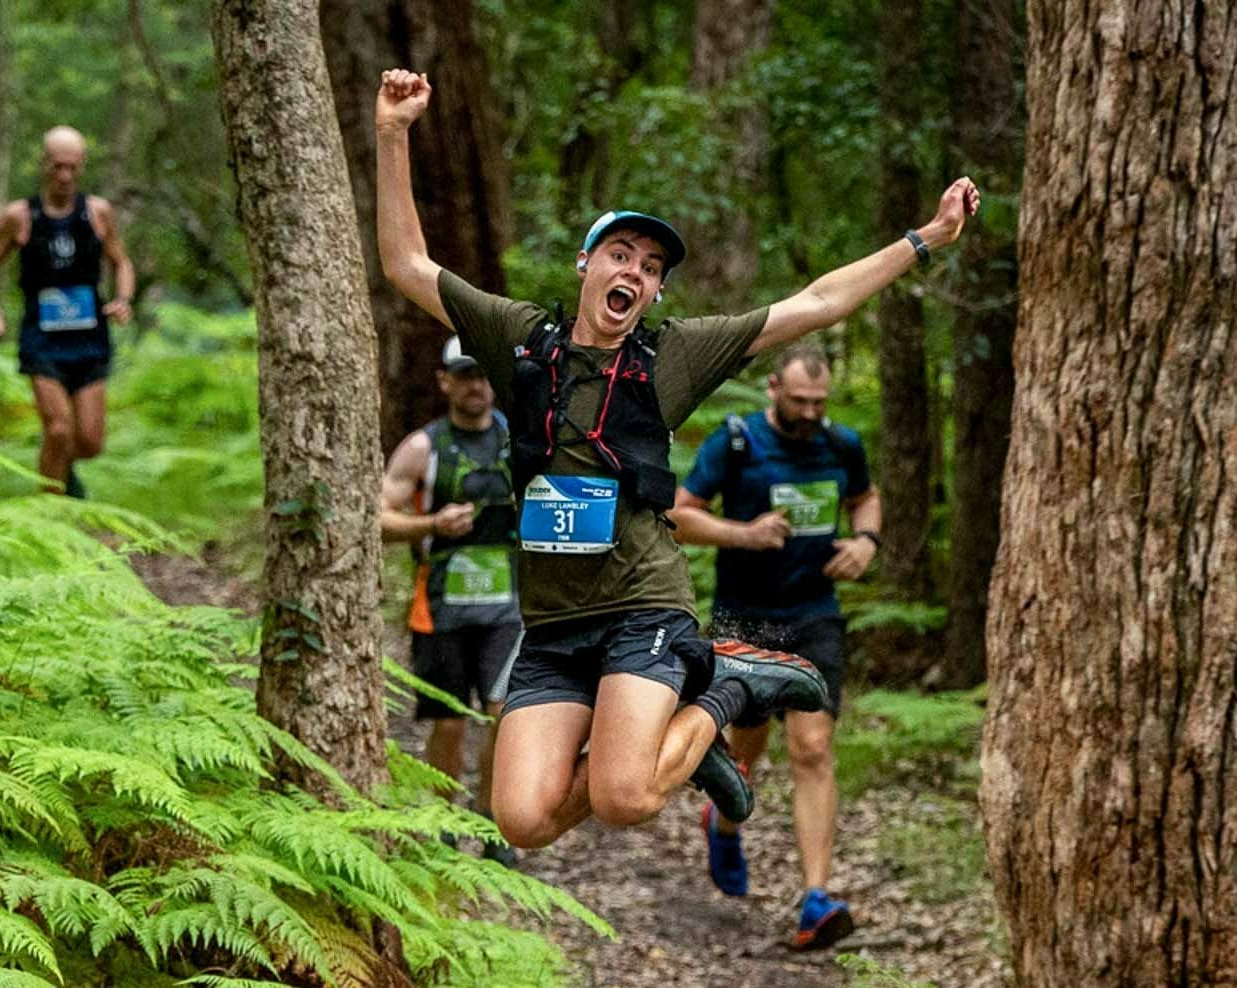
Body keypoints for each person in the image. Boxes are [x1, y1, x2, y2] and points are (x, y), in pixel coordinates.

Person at [372, 67, 977, 851]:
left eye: (651, 268)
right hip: (553, 622)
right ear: (585, 266)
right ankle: (713, 700)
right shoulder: (521, 339)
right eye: (620, 254)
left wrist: (923, 240)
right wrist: (392, 134)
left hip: (641, 607)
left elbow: (817, 303)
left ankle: (722, 689)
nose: (634, 272)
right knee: (521, 823)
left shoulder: (673, 358)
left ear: (655, 294)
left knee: (626, 798)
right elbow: (406, 267)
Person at [670, 342, 878, 950]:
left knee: (812, 748)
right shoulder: (735, 444)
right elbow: (681, 515)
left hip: (814, 614)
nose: (812, 412)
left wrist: (866, 541)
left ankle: (816, 898)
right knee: (747, 746)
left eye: (820, 401)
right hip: (745, 618)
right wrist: (743, 533)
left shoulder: (841, 444)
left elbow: (866, 496)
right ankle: (724, 819)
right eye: (800, 400)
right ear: (772, 388)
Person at [380, 336, 522, 866]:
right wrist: (432, 523)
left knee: (502, 711)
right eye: (465, 376)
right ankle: (444, 823)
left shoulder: (520, 439)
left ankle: (489, 822)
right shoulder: (424, 447)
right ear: (445, 382)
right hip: (439, 607)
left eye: (484, 376)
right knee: (450, 721)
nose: (477, 387)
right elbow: (378, 515)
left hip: (508, 607)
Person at [0, 126, 135, 498]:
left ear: (81, 167)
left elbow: (121, 261)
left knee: (90, 441)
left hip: (89, 338)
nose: (64, 176)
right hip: (43, 340)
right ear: (44, 164)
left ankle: (64, 471)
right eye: (57, 167)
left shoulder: (98, 212)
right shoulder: (20, 216)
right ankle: (52, 512)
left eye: (72, 167)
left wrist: (123, 299)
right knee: (59, 429)